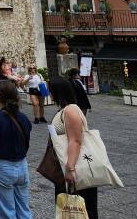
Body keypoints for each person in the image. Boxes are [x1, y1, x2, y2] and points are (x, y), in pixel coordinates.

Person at [0, 80, 33, 218]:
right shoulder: (24, 118)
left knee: (6, 212)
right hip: (22, 166)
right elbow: (26, 143)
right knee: (24, 209)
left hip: (1, 167)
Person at [47, 77, 98, 218]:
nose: (49, 94)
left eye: (50, 90)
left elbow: (75, 140)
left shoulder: (70, 110)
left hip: (76, 168)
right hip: (66, 166)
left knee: (82, 209)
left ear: (58, 92)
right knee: (71, 210)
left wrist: (70, 169)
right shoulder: (65, 109)